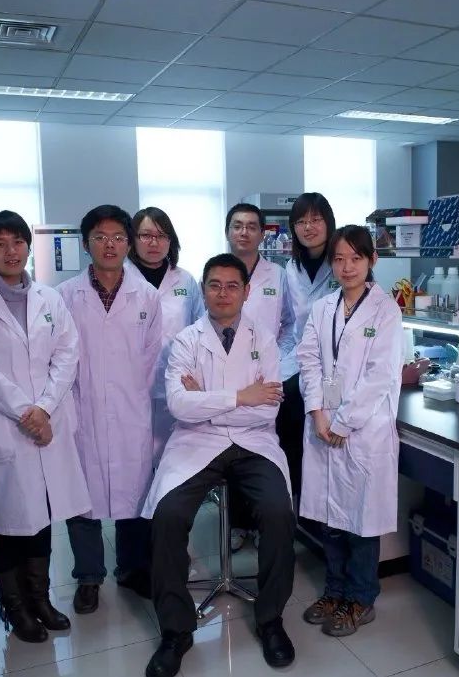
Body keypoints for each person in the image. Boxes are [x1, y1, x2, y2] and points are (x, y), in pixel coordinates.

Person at [141, 254, 297, 677]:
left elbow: (267, 410)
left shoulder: (264, 339)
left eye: (232, 286)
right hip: (196, 443)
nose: (223, 293)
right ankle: (176, 632)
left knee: (278, 512)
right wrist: (240, 397)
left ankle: (271, 620)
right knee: (168, 515)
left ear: (246, 292)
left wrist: (206, 401)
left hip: (253, 442)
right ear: (203, 290)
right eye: (214, 285)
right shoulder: (186, 341)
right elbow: (179, 406)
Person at [0, 210, 91, 644]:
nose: (10, 251)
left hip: (46, 422)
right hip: (4, 426)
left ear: (28, 247)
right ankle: (15, 607)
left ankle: (40, 598)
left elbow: (68, 353)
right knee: (8, 519)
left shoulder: (49, 299)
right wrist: (28, 415)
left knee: (41, 514)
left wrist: (44, 409)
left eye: (17, 242)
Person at [296, 224, 404, 638]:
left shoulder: (386, 311)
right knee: (330, 518)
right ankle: (334, 591)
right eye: (339, 259)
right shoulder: (323, 308)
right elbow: (308, 360)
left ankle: (361, 599)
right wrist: (317, 411)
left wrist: (344, 421)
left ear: (371, 260)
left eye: (356, 258)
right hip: (323, 423)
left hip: (363, 430)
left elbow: (380, 375)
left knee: (360, 521)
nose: (347, 267)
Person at [56, 205, 162, 612]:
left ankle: (132, 569)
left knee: (135, 493)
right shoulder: (64, 297)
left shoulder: (146, 296)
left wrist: (146, 410)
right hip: (81, 409)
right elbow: (58, 358)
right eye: (100, 237)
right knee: (80, 496)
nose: (110, 245)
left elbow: (152, 359)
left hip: (132, 411)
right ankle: (88, 577)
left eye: (118, 237)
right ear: (86, 245)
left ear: (129, 243)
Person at [224, 202, 295, 552]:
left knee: (261, 451)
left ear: (262, 233)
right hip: (226, 376)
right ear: (228, 231)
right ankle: (237, 523)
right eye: (238, 225)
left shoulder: (277, 275)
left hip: (266, 379)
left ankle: (261, 522)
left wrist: (275, 359)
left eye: (252, 226)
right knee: (230, 447)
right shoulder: (217, 270)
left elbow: (290, 323)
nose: (244, 232)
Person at [126, 207, 205, 464]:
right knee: (133, 458)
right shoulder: (121, 279)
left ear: (171, 241)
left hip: (177, 380)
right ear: (133, 239)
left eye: (161, 236)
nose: (154, 243)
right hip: (130, 382)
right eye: (146, 235)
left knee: (173, 459)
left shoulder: (185, 281)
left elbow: (200, 329)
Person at [278, 193, 339, 496]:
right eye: (301, 221)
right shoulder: (291, 268)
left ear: (328, 222)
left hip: (336, 368)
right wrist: (277, 365)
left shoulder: (342, 262)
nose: (308, 227)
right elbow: (292, 325)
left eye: (316, 219)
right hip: (301, 361)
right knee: (289, 425)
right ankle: (297, 504)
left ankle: (324, 507)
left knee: (329, 427)